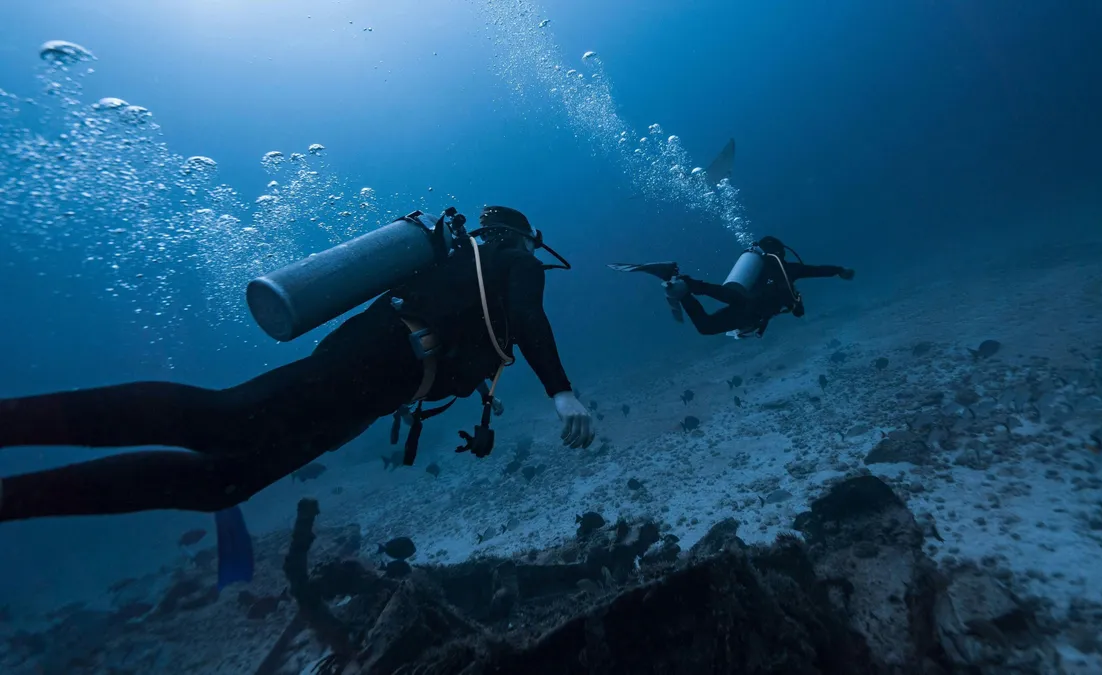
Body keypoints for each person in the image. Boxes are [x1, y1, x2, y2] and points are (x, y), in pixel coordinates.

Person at [0, 206, 595, 524]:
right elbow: (527, 318)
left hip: (378, 374)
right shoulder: (515, 261)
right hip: (384, 360)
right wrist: (561, 391)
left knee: (222, 482)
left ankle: (13, 499)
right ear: (524, 238)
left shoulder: (456, 260)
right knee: (224, 420)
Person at [610, 235, 854, 338]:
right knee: (725, 300)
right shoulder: (788, 268)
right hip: (749, 306)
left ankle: (680, 286)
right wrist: (840, 270)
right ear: (780, 252)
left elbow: (818, 271)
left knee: (708, 323)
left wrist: (838, 270)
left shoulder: (770, 267)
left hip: (744, 305)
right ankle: (686, 283)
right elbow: (818, 270)